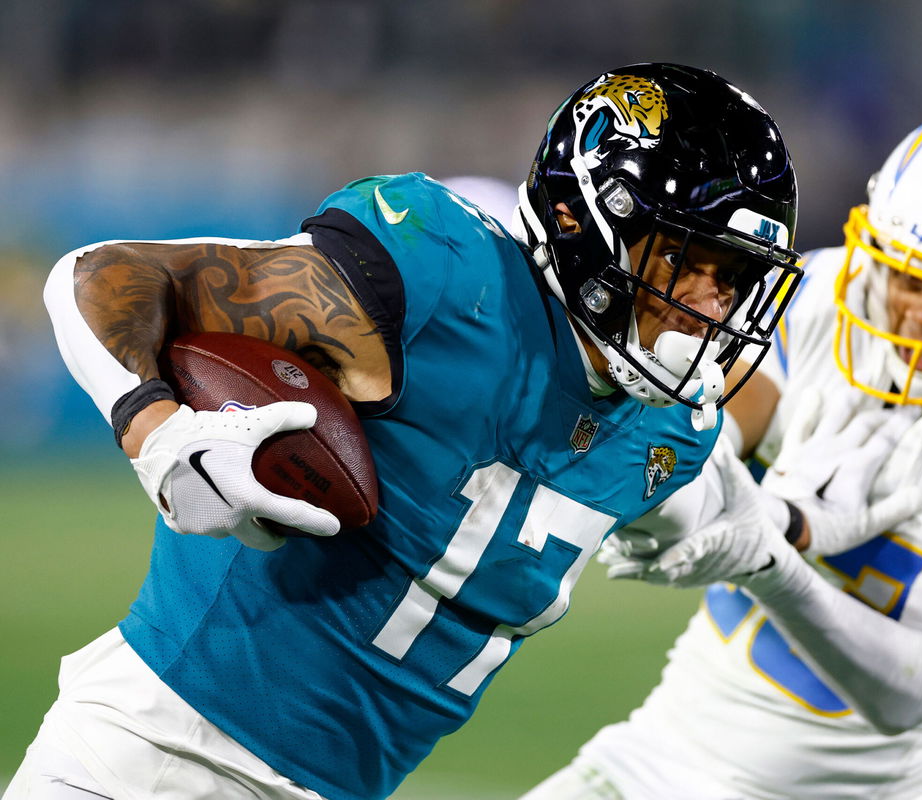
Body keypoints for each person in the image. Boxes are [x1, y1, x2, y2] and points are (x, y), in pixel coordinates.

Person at [6, 63, 804, 800]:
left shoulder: (671, 431)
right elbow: (105, 275)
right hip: (149, 758)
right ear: (582, 217)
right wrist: (158, 435)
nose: (707, 304)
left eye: (730, 276)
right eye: (684, 258)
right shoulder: (444, 282)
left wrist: (798, 530)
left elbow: (719, 494)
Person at [522, 105, 922, 799]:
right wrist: (740, 507)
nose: (913, 310)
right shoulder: (834, 299)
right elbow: (692, 449)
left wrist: (771, 558)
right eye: (903, 272)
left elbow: (917, 686)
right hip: (652, 760)